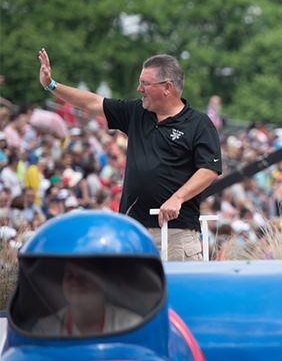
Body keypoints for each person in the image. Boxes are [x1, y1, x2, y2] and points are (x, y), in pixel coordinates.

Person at [37, 48, 222, 260]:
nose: (139, 88)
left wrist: (177, 198)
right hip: (132, 231)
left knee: (179, 292)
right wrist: (51, 85)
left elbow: (209, 168)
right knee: (128, 293)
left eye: (145, 83)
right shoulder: (137, 113)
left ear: (167, 87)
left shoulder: (198, 123)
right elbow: (93, 102)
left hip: (174, 233)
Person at [31, 259, 142, 336]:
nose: (75, 281)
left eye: (84, 275)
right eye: (70, 275)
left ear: (103, 282)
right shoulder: (45, 330)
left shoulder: (132, 326)